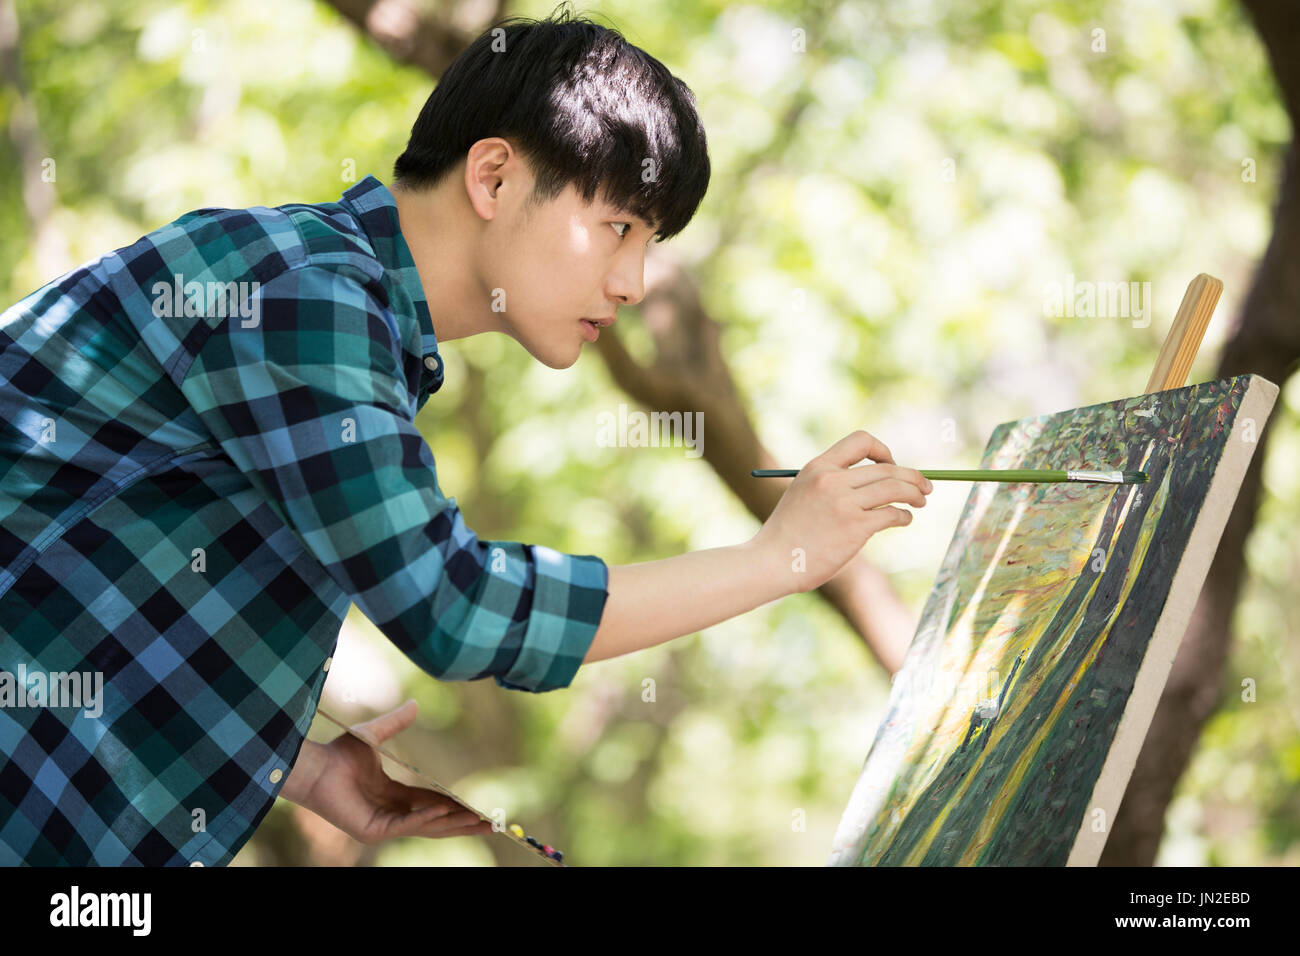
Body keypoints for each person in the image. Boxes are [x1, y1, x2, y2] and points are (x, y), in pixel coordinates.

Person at [0, 7, 931, 865]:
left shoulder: (338, 311)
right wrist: (782, 555)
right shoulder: (304, 296)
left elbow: (97, 583)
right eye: (619, 226)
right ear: (493, 176)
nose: (635, 282)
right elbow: (454, 609)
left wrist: (300, 760)